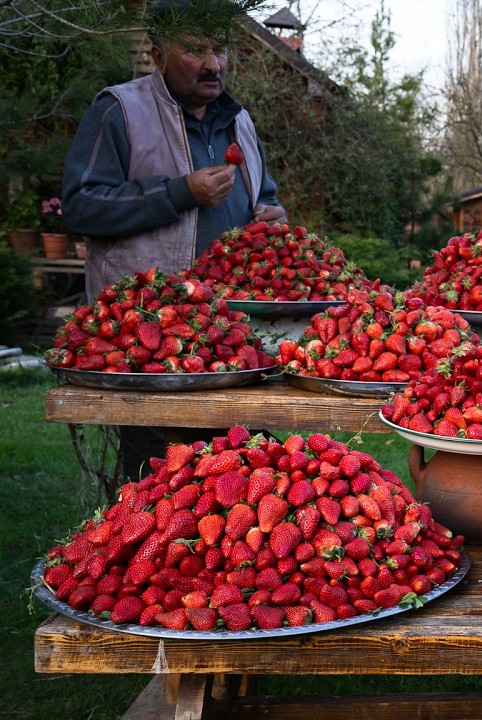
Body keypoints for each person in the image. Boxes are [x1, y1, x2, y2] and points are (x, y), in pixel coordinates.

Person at [60, 0, 288, 479]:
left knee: (241, 481)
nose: (213, 64)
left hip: (230, 340)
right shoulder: (119, 110)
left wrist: (271, 217)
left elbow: (264, 199)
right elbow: (81, 204)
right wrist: (179, 192)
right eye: (197, 50)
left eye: (220, 49)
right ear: (160, 54)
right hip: (148, 344)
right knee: (152, 484)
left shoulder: (239, 122)